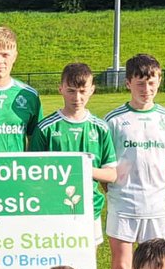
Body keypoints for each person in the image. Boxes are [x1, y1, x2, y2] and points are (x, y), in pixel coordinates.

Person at [102, 53, 165, 269]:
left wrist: (152, 183)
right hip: (123, 203)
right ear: (128, 83)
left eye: (152, 83)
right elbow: (107, 164)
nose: (146, 90)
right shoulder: (113, 120)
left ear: (159, 81)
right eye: (140, 83)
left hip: (156, 204)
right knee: (123, 268)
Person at [29, 63, 116, 245]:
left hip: (90, 208)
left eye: (83, 91)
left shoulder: (100, 128)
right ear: (60, 89)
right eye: (71, 91)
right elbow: (32, 173)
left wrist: (81, 168)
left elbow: (111, 174)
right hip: (53, 210)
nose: (77, 97)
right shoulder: (46, 128)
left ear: (92, 90)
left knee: (87, 267)